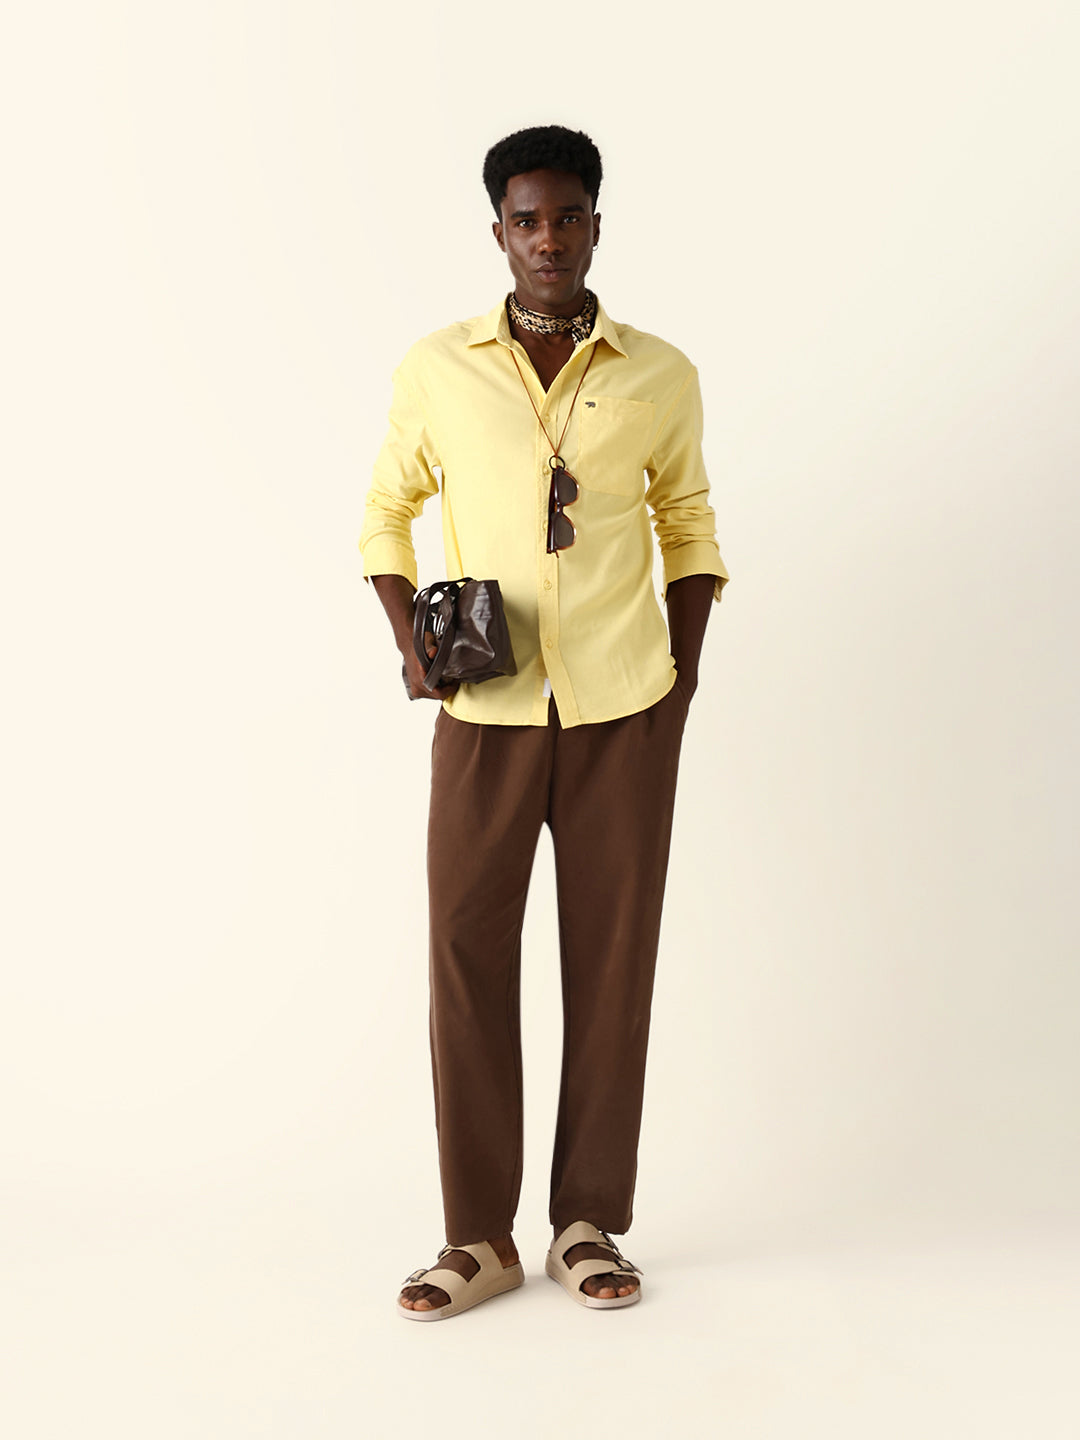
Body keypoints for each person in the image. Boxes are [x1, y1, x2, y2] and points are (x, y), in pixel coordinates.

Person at [359, 124, 728, 1320]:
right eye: (527, 219)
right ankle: (478, 1238)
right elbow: (384, 514)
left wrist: (678, 689)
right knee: (465, 957)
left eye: (568, 217)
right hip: (490, 708)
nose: (549, 238)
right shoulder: (439, 368)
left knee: (613, 965)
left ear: (596, 227)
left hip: (626, 709)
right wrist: (410, 643)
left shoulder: (660, 373)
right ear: (500, 233)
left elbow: (689, 527)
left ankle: (585, 1223)